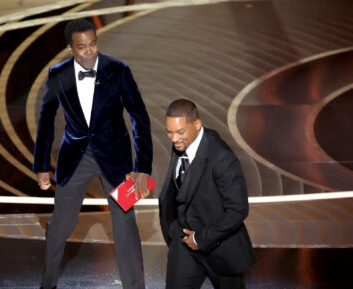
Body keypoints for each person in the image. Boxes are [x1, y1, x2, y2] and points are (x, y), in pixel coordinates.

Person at [32, 19, 152, 289]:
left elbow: (139, 119)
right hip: (75, 158)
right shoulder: (57, 74)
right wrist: (41, 166)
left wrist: (142, 166)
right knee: (60, 224)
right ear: (70, 48)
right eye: (82, 47)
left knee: (125, 225)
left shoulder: (118, 70)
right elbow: (45, 120)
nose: (89, 52)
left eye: (93, 44)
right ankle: (47, 283)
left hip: (117, 158)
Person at [159, 99, 255, 289]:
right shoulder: (181, 144)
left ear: (196, 124)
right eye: (169, 132)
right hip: (183, 241)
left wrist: (201, 238)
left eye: (180, 132)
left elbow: (238, 209)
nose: (173, 138)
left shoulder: (222, 158)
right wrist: (174, 229)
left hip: (220, 248)